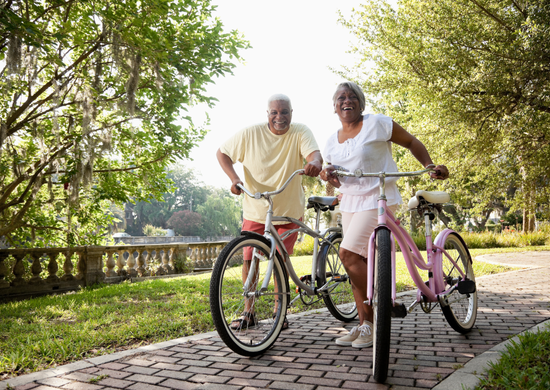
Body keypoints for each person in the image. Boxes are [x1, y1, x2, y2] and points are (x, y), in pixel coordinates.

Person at [320, 81, 448, 348]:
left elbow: (411, 141)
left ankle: (382, 302)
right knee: (355, 264)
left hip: (379, 197)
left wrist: (429, 165)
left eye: (352, 96)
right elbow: (331, 171)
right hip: (351, 202)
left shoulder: (377, 123)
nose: (347, 101)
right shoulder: (331, 140)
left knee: (348, 254)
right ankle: (366, 326)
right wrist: (326, 174)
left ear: (360, 102)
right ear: (334, 106)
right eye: (341, 97)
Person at [217, 93, 323, 330]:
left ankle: (280, 311)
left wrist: (315, 163)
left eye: (284, 112)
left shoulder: (300, 131)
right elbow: (222, 152)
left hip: (287, 210)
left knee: (280, 260)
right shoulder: (250, 134)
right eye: (274, 112)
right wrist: (234, 178)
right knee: (249, 259)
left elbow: (314, 154)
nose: (279, 117)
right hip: (256, 208)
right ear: (267, 114)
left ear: (291, 113)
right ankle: (249, 311)